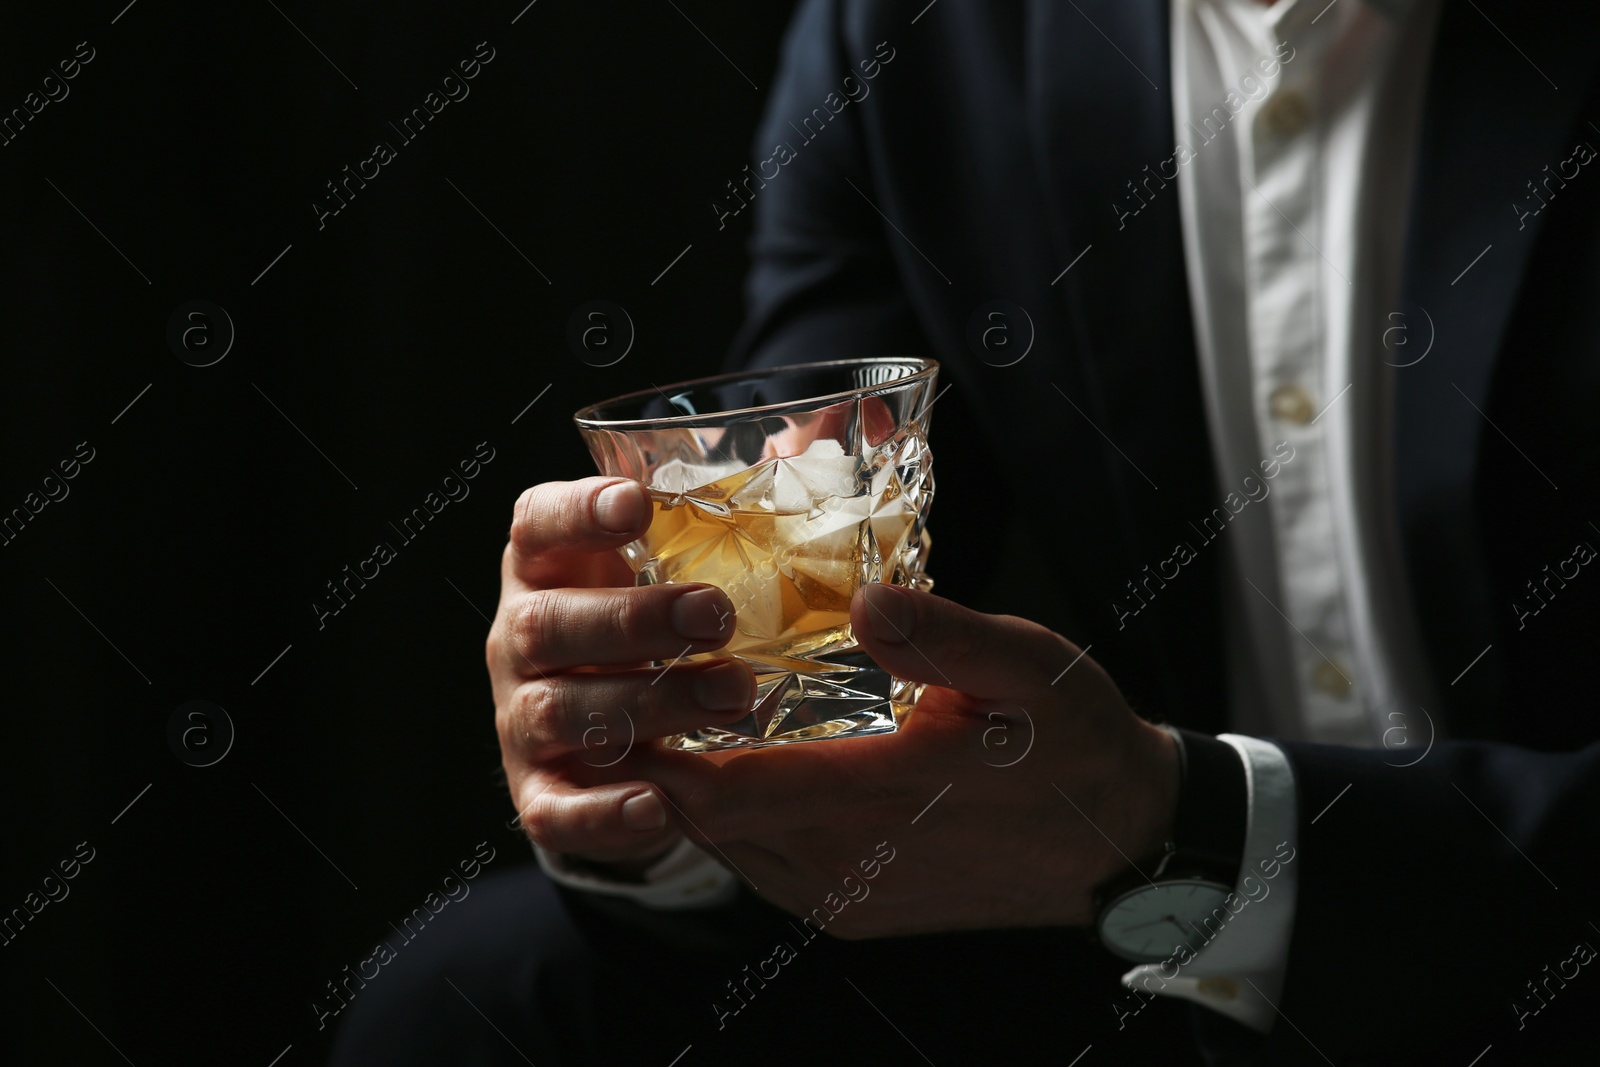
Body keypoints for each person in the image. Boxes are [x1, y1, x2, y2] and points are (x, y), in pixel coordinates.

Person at [333, 0, 1600, 1062]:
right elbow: (809, 549)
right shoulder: (912, 31)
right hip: (1158, 947)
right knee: (469, 1000)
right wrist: (662, 771)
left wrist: (1200, 834)